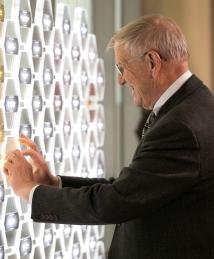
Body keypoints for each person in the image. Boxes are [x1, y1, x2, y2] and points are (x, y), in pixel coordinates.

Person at [3, 14, 214, 259]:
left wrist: (28, 189)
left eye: (122, 67)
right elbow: (132, 187)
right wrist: (54, 183)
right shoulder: (195, 104)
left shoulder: (180, 125)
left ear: (152, 62)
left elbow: (115, 202)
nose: (121, 79)